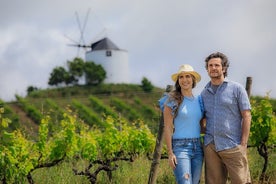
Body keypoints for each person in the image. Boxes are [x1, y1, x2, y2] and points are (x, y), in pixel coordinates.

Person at [201, 52, 251, 184]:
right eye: (210, 65)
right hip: (211, 146)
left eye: (217, 65)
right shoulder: (204, 93)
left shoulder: (237, 89)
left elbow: (246, 115)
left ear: (224, 68)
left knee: (242, 181)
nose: (213, 68)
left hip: (233, 145)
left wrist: (243, 144)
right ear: (207, 69)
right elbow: (202, 118)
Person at [163, 64, 204, 184]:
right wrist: (170, 153)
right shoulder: (172, 100)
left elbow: (202, 125)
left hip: (198, 147)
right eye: (181, 77)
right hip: (180, 147)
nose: (184, 80)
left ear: (193, 80)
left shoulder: (199, 100)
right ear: (178, 81)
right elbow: (168, 127)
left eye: (188, 76)